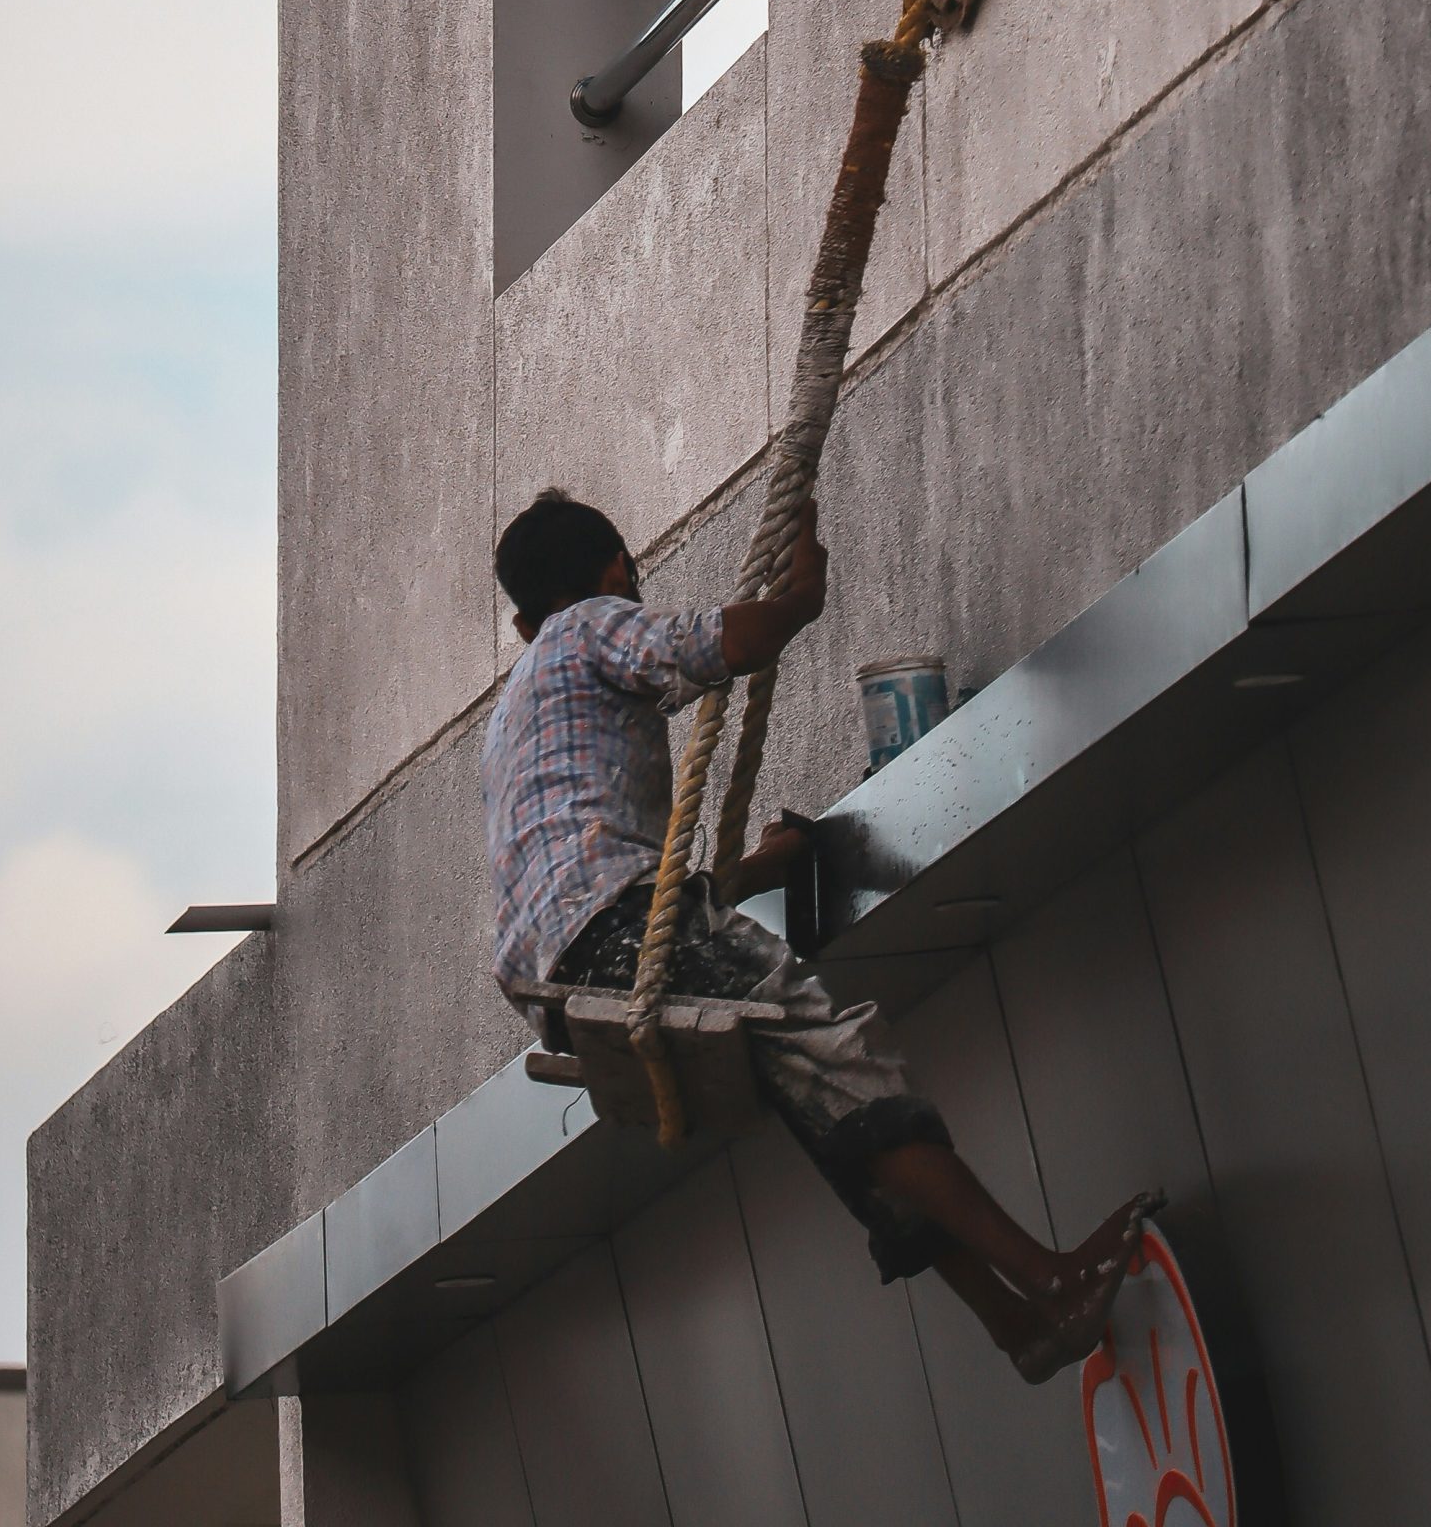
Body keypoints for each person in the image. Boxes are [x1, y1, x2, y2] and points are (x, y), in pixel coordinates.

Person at [482, 485, 1158, 1384]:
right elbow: (726, 643)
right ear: (613, 572)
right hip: (618, 926)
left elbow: (590, 852)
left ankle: (1017, 1325)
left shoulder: (514, 713)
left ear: (522, 623)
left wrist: (758, 868)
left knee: (825, 1108)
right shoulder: (587, 629)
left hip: (562, 975)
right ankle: (1048, 1278)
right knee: (849, 1067)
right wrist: (800, 595)